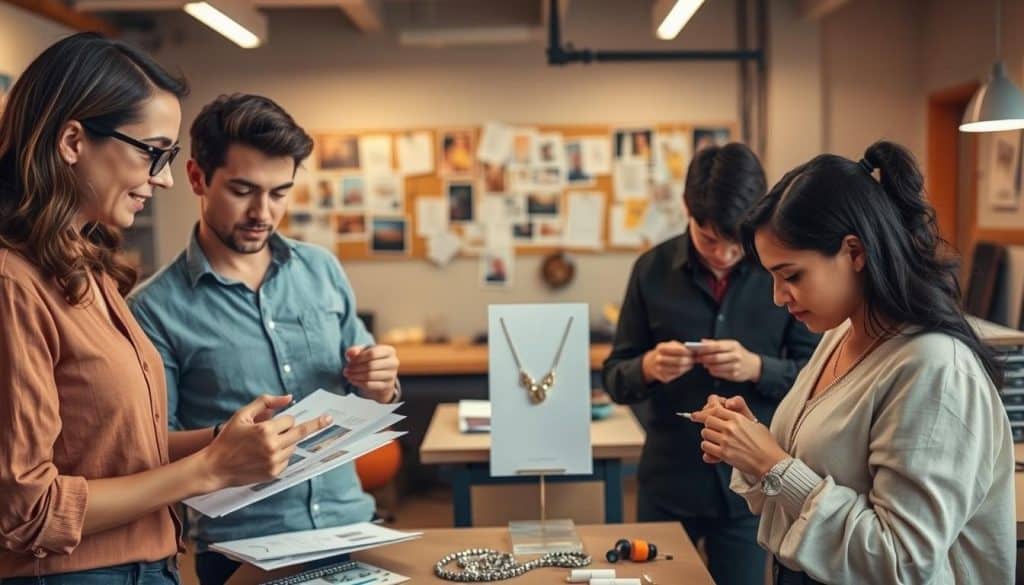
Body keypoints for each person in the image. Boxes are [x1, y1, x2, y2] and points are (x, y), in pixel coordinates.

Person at [0, 33, 328, 584]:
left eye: (168, 156)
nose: (165, 177)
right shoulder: (14, 283)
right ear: (74, 140)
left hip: (148, 565)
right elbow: (28, 509)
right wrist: (208, 469)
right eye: (152, 151)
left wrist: (225, 440)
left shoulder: (87, 270)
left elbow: (116, 450)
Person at [692, 141, 1015, 584]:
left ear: (855, 252)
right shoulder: (840, 334)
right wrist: (751, 448)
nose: (778, 296)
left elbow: (901, 562)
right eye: (771, 277)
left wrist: (772, 465)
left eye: (791, 276)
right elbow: (803, 484)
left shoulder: (934, 369)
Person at [128, 93, 401, 585]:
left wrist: (381, 382)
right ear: (196, 178)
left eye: (279, 193)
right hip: (245, 552)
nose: (263, 212)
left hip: (354, 531)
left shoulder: (322, 270)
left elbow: (373, 397)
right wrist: (226, 442)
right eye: (242, 190)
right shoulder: (152, 309)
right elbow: (149, 449)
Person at [602, 143, 820, 585]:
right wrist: (646, 366)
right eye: (708, 240)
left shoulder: (782, 272)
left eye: (735, 245)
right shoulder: (651, 270)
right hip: (668, 481)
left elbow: (818, 377)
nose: (722, 255)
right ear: (687, 210)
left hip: (753, 488)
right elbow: (614, 377)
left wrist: (757, 367)